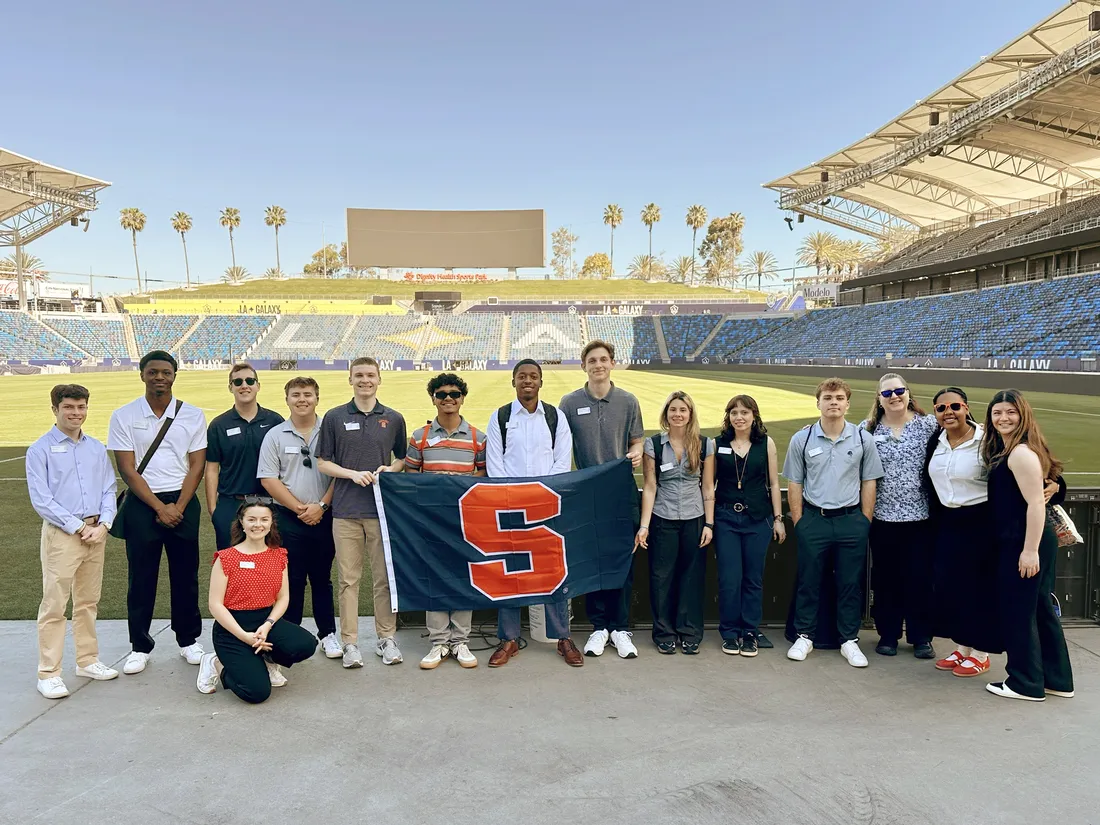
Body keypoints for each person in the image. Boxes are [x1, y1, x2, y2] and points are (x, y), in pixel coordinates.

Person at [108, 351, 207, 675]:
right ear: (142, 375)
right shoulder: (123, 415)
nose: (159, 377)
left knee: (185, 576)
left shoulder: (192, 414)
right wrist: (158, 507)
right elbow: (127, 468)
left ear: (175, 375)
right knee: (141, 577)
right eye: (153, 372)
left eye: (166, 372)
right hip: (143, 502)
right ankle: (139, 645)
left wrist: (178, 506)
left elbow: (197, 465)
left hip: (182, 501)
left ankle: (188, 640)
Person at [485, 359, 583, 668]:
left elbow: (561, 461)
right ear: (513, 382)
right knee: (511, 573)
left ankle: (562, 637)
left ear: (541, 382)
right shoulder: (500, 417)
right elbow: (494, 464)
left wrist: (540, 494)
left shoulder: (555, 417)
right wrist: (513, 495)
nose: (528, 381)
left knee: (552, 571)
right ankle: (509, 638)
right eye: (522, 376)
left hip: (546, 505)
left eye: (533, 377)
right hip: (510, 506)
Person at [783, 377, 884, 667]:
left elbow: (869, 481)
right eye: (828, 398)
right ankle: (805, 635)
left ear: (847, 404)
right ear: (818, 403)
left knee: (850, 583)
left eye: (839, 398)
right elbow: (795, 483)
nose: (834, 403)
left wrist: (864, 520)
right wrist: (800, 521)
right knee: (809, 580)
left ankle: (848, 640)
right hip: (814, 519)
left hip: (850, 520)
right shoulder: (801, 439)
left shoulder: (863, 438)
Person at [980, 390, 1074, 702]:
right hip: (1026, 539)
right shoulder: (1017, 450)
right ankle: (1057, 679)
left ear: (1023, 415)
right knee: (1040, 609)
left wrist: (1029, 550)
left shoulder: (1019, 454)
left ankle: (1024, 682)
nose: (1003, 418)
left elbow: (1035, 504)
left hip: (1024, 541)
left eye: (1010, 412)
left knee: (1018, 612)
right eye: (997, 413)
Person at [26, 385, 119, 699]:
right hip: (63, 534)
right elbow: (42, 499)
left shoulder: (95, 447)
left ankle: (87, 659)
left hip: (96, 531)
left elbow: (109, 488)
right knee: (55, 605)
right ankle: (48, 672)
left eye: (81, 407)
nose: (76, 413)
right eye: (69, 407)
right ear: (55, 409)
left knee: (88, 602)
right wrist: (79, 527)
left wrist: (105, 523)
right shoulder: (40, 450)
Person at [316, 357, 407, 669]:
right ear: (350, 379)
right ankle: (350, 642)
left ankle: (387, 638)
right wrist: (351, 474)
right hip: (345, 511)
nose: (364, 380)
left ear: (379, 379)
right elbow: (323, 462)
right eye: (359, 375)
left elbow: (402, 460)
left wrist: (389, 468)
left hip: (381, 512)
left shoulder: (393, 418)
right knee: (348, 580)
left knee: (383, 579)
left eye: (370, 375)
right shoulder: (334, 417)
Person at [558, 340, 644, 659]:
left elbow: (637, 439)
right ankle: (598, 627)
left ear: (612, 364)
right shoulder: (569, 402)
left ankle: (620, 628)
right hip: (585, 492)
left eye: (604, 359)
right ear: (584, 366)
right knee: (592, 559)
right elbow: (561, 446)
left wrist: (635, 452)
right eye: (592, 360)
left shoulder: (627, 400)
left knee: (621, 557)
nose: (598, 365)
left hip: (620, 491)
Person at [404, 372, 487, 670]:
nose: (448, 398)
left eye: (454, 393)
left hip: (464, 520)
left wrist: (455, 487)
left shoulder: (478, 437)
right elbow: (411, 473)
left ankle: (460, 640)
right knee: (435, 576)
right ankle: (439, 641)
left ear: (462, 397)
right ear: (433, 399)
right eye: (441, 394)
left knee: (463, 575)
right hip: (431, 520)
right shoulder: (419, 436)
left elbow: (483, 473)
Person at [197, 500, 318, 702]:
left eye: (264, 519)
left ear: (271, 523)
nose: (257, 525)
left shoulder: (279, 555)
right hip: (232, 629)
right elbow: (215, 604)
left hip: (264, 622)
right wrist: (244, 636)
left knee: (306, 644)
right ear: (242, 523)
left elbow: (283, 597)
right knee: (257, 693)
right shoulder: (226, 558)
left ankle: (266, 659)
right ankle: (216, 663)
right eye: (251, 519)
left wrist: (268, 625)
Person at [257, 376, 342, 661]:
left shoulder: (330, 432)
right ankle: (290, 633)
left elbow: (339, 475)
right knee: (291, 579)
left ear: (317, 398)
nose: (302, 399)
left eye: (307, 394)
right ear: (287, 399)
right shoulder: (275, 435)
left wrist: (320, 506)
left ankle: (328, 634)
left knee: (321, 578)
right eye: (296, 394)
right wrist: (299, 509)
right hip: (289, 519)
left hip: (325, 516)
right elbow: (269, 479)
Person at [924, 387, 1000, 678]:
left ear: (966, 407)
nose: (949, 412)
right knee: (953, 587)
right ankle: (963, 646)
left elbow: (1025, 464)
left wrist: (1056, 485)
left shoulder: (988, 440)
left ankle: (981, 652)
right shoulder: (937, 440)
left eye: (954, 406)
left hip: (980, 522)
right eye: (941, 408)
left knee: (978, 589)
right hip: (948, 522)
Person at [862, 374, 938, 659]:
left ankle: (921, 637)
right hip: (882, 519)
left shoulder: (929, 424)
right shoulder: (867, 430)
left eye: (899, 391)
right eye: (887, 393)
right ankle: (888, 634)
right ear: (879, 399)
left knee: (920, 578)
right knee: (886, 579)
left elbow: (971, 437)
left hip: (921, 518)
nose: (894, 396)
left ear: (908, 393)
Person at [635, 391, 714, 654]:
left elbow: (707, 488)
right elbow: (649, 486)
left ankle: (689, 631)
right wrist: (644, 526)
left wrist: (709, 524)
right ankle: (664, 632)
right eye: (673, 410)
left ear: (690, 414)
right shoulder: (653, 445)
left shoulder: (704, 445)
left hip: (694, 518)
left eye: (683, 409)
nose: (677, 414)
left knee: (690, 578)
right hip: (663, 519)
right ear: (666, 414)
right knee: (661, 578)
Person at [712, 395, 785, 657]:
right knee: (730, 579)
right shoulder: (717, 444)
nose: (739, 417)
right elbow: (709, 486)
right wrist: (709, 522)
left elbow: (774, 483)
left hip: (758, 519)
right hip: (726, 519)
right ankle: (730, 633)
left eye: (745, 412)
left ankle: (750, 632)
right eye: (734, 412)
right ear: (728, 416)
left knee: (753, 579)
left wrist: (778, 519)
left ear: (754, 415)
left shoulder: (766, 444)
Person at [205, 363, 284, 550]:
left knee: (266, 563)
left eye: (250, 381)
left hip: (268, 502)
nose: (244, 386)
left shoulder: (275, 421)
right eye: (238, 382)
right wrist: (213, 509)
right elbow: (212, 468)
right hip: (231, 503)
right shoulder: (219, 425)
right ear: (230, 387)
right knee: (229, 562)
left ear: (258, 385)